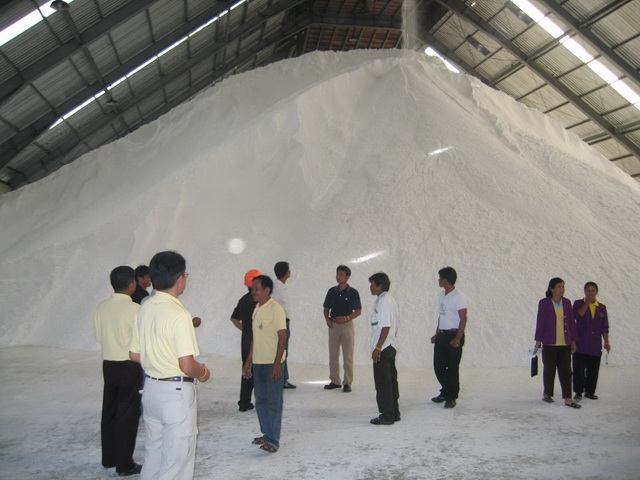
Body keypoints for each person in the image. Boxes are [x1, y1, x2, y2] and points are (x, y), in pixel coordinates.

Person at [129, 251, 211, 479]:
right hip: (175, 394)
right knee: (176, 463)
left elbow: (134, 354)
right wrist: (204, 372)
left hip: (151, 390)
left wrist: (157, 361)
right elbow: (187, 365)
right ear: (180, 279)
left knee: (154, 458)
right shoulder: (179, 313)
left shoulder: (145, 306)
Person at [94, 266, 143, 476]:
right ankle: (125, 464)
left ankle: (109, 458)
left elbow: (98, 337)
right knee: (127, 415)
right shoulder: (135, 309)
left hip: (109, 364)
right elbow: (141, 341)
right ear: (132, 284)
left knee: (110, 411)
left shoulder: (101, 307)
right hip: (129, 366)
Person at [242, 275, 287, 453]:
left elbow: (283, 337)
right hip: (258, 363)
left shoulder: (276, 309)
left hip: (272, 364)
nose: (253, 292)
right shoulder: (257, 309)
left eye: (257, 289)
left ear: (267, 290)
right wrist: (248, 362)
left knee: (273, 402)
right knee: (260, 400)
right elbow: (256, 338)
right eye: (252, 289)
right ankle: (267, 434)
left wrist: (277, 364)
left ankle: (273, 440)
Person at [534, 277, 580, 408]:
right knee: (549, 370)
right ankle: (547, 394)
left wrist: (573, 342)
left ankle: (568, 398)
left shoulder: (567, 302)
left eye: (563, 287)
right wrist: (538, 341)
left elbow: (571, 323)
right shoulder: (544, 303)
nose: (562, 289)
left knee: (566, 371)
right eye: (559, 287)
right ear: (551, 288)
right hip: (549, 343)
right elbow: (540, 322)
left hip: (565, 343)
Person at [430, 266, 468, 409]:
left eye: (440, 278)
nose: (438, 280)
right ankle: (445, 391)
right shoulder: (442, 295)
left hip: (454, 335)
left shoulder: (459, 296)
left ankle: (451, 397)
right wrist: (436, 333)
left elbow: (463, 319)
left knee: (452, 368)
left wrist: (458, 338)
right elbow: (442, 316)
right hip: (442, 335)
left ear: (446, 280)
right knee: (438, 366)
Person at [323, 265, 361, 393]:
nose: (338, 277)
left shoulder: (353, 292)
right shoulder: (331, 291)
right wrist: (327, 319)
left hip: (347, 326)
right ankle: (335, 381)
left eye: (341, 274)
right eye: (337, 274)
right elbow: (326, 307)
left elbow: (358, 311)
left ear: (347, 277)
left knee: (348, 355)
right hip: (333, 326)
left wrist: (346, 318)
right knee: (333, 355)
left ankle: (347, 382)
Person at [368, 272, 400, 425]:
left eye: (372, 285)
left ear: (380, 286)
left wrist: (378, 348)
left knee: (383, 384)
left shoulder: (384, 302)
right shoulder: (387, 300)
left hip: (384, 348)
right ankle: (394, 413)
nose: (370, 287)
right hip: (388, 346)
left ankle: (387, 416)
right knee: (390, 381)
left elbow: (385, 327)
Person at [573, 281, 611, 401]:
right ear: (584, 291)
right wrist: (587, 303)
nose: (590, 292)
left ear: (596, 292)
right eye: (588, 290)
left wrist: (606, 341)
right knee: (579, 369)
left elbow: (604, 326)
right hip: (580, 342)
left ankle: (590, 391)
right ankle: (578, 391)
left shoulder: (602, 308)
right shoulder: (578, 303)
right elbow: (577, 316)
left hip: (595, 343)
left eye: (593, 290)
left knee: (593, 370)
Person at [230, 269, 260, 412]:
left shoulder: (243, 300)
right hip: (259, 341)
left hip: (246, 340)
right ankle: (262, 403)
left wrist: (245, 329)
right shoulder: (261, 300)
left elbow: (234, 318)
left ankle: (244, 403)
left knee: (247, 371)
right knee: (260, 370)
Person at [271, 261, 295, 389]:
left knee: (284, 351)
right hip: (281, 323)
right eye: (288, 269)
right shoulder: (277, 287)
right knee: (282, 351)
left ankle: (284, 378)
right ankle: (281, 379)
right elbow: (274, 305)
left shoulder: (280, 286)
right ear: (286, 273)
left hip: (284, 322)